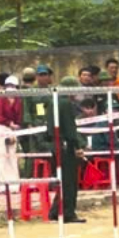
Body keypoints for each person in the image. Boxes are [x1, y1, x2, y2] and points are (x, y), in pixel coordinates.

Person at [48, 77, 86, 223]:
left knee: (62, 179)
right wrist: (77, 146)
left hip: (55, 143)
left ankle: (55, 211)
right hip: (66, 145)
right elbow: (70, 129)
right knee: (69, 181)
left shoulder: (53, 101)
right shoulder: (66, 104)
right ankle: (68, 212)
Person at [0, 74, 24, 185]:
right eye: (9, 86)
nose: (11, 88)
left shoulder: (18, 101)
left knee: (12, 156)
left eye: (13, 86)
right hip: (0, 128)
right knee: (0, 156)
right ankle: (2, 185)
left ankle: (14, 184)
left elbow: (19, 116)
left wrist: (16, 125)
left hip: (12, 130)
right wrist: (9, 123)